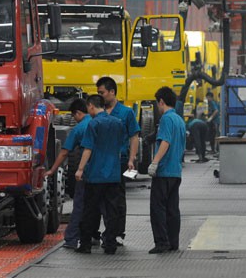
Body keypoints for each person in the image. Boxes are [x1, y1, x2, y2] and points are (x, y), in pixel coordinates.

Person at [74, 94, 126, 255]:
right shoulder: (118, 123)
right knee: (112, 211)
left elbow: (88, 148)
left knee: (90, 210)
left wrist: (80, 169)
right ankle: (110, 244)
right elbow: (120, 146)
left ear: (90, 106)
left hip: (96, 174)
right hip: (113, 174)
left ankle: (85, 244)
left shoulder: (93, 124)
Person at [96, 76, 140, 245]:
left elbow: (134, 136)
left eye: (102, 92)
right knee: (101, 198)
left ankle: (117, 233)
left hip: (119, 160)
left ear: (112, 92)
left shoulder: (126, 112)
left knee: (118, 199)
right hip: (100, 162)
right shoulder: (98, 112)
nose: (100, 96)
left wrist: (131, 159)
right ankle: (104, 231)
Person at [44, 99, 91, 249]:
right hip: (104, 173)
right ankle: (98, 237)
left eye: (74, 116)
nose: (74, 119)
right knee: (99, 207)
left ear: (78, 113)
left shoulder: (79, 128)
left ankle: (71, 239)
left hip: (86, 172)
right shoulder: (98, 123)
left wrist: (52, 170)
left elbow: (64, 152)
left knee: (79, 206)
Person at [147, 86, 185, 254]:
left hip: (164, 172)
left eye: (157, 103)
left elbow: (165, 141)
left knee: (157, 208)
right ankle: (173, 242)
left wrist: (155, 162)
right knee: (172, 209)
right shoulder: (179, 120)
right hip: (176, 171)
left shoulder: (166, 119)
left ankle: (162, 243)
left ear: (161, 102)